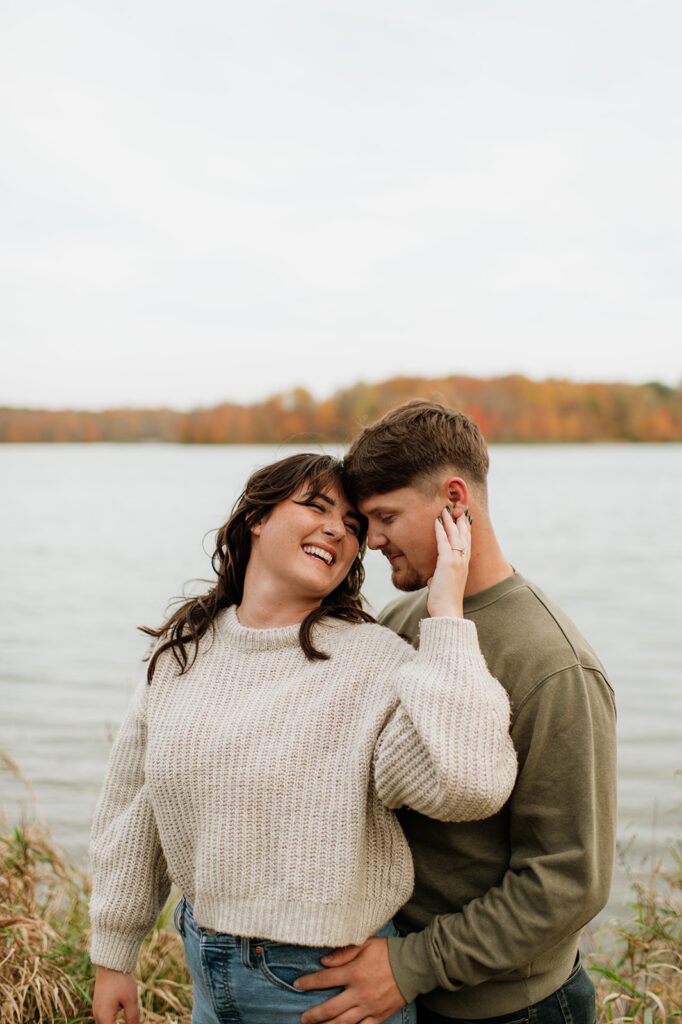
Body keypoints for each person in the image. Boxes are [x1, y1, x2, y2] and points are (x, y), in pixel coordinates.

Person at [89, 451, 517, 1024]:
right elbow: (136, 811)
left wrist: (446, 616)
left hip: (323, 988)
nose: (338, 529)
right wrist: (114, 954)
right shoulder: (183, 652)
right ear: (256, 519)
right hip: (206, 973)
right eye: (316, 507)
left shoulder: (374, 663)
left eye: (353, 525)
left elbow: (471, 784)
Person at [294, 402, 617, 1024]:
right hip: (395, 990)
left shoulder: (556, 665)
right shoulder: (400, 621)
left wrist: (411, 965)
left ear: (454, 499)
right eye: (367, 520)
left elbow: (569, 880)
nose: (373, 538)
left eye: (386, 516)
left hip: (505, 1009)